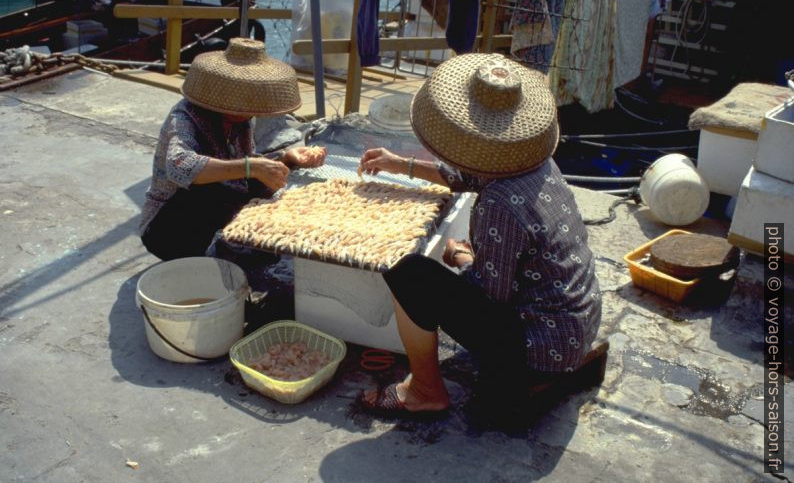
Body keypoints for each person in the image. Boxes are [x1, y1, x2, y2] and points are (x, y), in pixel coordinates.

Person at [357, 53, 603, 426]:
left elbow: (492, 296)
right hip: (577, 323)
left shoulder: (501, 202)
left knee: (409, 274)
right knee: (449, 268)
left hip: (540, 347)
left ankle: (424, 391)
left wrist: (464, 261)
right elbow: (467, 176)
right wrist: (400, 164)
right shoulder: (534, 161)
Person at [139, 38, 325, 261]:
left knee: (255, 184)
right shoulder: (184, 117)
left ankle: (233, 244)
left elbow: (244, 166)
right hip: (166, 227)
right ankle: (208, 254)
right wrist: (251, 166)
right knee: (213, 189)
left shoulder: (243, 120)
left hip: (213, 213)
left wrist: (285, 159)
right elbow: (180, 166)